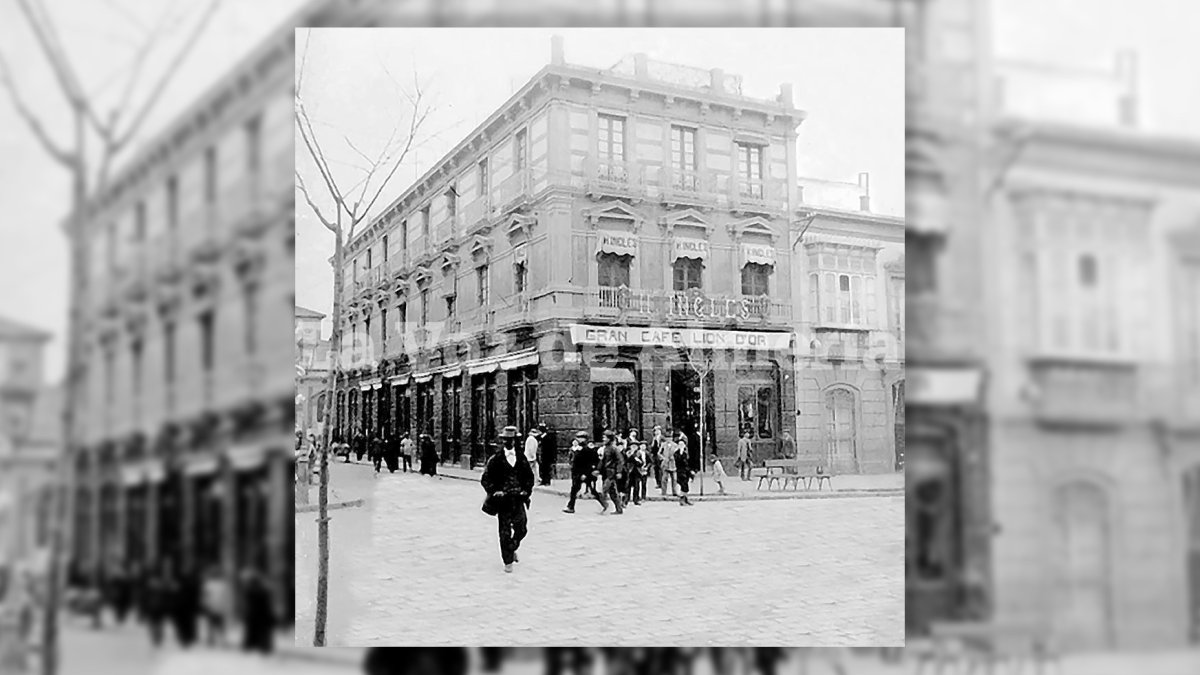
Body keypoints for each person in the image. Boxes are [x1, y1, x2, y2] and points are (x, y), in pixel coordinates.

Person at [481, 426, 535, 573]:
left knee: (522, 528)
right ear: (502, 441)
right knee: (504, 532)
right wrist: (494, 491)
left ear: (515, 441)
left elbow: (529, 477)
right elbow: (485, 479)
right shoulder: (496, 459)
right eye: (506, 440)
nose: (509, 442)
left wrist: (526, 491)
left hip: (518, 499)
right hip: (503, 501)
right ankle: (508, 561)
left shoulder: (521, 457)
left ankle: (512, 547)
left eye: (511, 440)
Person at [563, 432, 603, 513]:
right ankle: (571, 506)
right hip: (578, 473)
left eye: (580, 438)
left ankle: (604, 503)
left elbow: (587, 463)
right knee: (575, 489)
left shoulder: (587, 449)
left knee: (590, 490)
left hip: (584, 473)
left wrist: (584, 473)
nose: (578, 439)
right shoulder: (579, 448)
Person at [240, 567, 276, 654]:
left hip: (255, 614)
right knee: (260, 631)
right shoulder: (262, 591)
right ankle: (262, 646)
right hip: (261, 614)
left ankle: (255, 645)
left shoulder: (252, 591)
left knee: (255, 631)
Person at [202, 566, 231, 648]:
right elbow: (226, 597)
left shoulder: (208, 584)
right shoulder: (222, 584)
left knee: (213, 624)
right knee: (219, 624)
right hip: (218, 607)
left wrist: (206, 604)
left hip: (213, 606)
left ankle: (212, 639)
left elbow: (205, 596)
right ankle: (220, 639)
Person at [597, 430, 625, 514]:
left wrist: (619, 472)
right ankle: (619, 509)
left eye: (605, 437)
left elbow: (620, 461)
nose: (603, 439)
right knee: (613, 492)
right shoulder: (605, 448)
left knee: (604, 490)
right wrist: (598, 470)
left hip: (611, 473)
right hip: (605, 473)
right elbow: (603, 461)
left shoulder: (614, 449)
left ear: (610, 439)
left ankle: (605, 505)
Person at [674, 432, 694, 506]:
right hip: (680, 471)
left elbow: (688, 463)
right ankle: (681, 500)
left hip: (686, 471)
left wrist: (690, 471)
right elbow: (678, 461)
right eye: (680, 445)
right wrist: (681, 453)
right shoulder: (676, 453)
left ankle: (686, 499)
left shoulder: (685, 453)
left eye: (682, 444)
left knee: (686, 486)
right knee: (682, 485)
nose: (681, 446)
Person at [538, 422, 557, 486]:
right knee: (542, 469)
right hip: (543, 456)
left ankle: (547, 481)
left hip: (547, 456)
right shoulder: (542, 437)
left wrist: (553, 457)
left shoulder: (548, 437)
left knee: (547, 469)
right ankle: (543, 480)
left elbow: (552, 448)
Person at [660, 430, 678, 497]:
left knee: (674, 479)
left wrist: (674, 457)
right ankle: (663, 492)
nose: (669, 439)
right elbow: (659, 453)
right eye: (667, 438)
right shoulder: (663, 445)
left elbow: (677, 454)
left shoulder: (675, 445)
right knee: (664, 478)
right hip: (666, 464)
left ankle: (675, 492)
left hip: (673, 464)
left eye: (670, 438)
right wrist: (663, 458)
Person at [649, 425, 664, 490]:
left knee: (661, 470)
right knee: (656, 470)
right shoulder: (653, 438)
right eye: (655, 431)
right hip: (655, 455)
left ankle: (662, 483)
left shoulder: (662, 438)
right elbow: (651, 447)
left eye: (658, 430)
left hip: (660, 455)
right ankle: (658, 482)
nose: (656, 432)